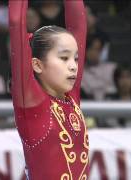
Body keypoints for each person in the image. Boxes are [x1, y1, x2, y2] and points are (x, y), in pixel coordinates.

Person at [9, 0, 88, 179]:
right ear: (37, 64)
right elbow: (16, 22)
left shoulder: (71, 97)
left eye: (75, 58)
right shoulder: (30, 102)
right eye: (64, 58)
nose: (74, 66)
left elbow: (79, 24)